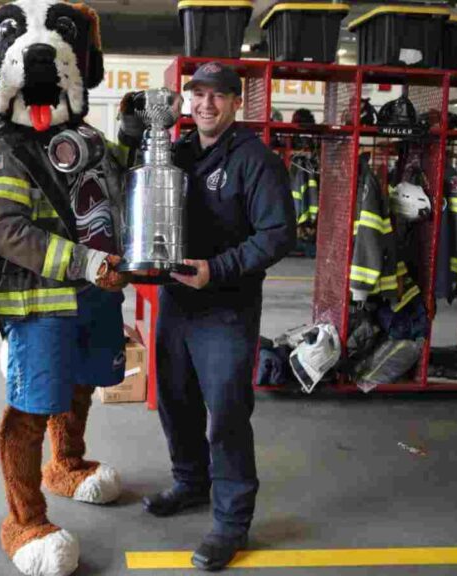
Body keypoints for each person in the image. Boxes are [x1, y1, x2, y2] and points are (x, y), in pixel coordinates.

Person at [142, 61, 295, 571]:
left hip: (226, 307)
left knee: (226, 413)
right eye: (197, 95)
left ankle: (231, 523)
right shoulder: (178, 152)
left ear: (235, 102)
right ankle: (190, 483)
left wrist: (219, 268)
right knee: (175, 399)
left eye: (217, 96)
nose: (205, 104)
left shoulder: (256, 161)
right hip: (177, 301)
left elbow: (277, 235)